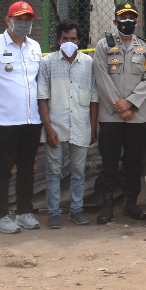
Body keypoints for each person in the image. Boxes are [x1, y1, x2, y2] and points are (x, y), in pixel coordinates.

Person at [0, 0, 45, 235]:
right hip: (4, 120)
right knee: (4, 168)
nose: (24, 24)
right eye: (19, 20)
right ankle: (0, 215)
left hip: (30, 120)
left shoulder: (35, 47)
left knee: (27, 168)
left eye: (28, 20)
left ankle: (24, 211)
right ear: (8, 21)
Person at [92, 2, 146, 224]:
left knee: (134, 161)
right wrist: (119, 105)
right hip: (111, 115)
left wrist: (130, 103)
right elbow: (101, 76)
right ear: (115, 21)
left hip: (136, 115)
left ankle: (131, 203)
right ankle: (107, 205)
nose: (127, 22)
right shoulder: (103, 46)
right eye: (123, 18)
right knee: (109, 160)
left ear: (137, 21)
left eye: (131, 18)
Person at [38, 20, 98, 228]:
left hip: (81, 124)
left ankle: (76, 209)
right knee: (53, 171)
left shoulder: (88, 63)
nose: (69, 42)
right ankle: (54, 212)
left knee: (78, 170)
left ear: (79, 41)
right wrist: (48, 127)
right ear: (58, 40)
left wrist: (92, 127)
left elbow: (93, 98)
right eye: (65, 39)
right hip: (55, 125)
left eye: (73, 39)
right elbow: (42, 97)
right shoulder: (47, 63)